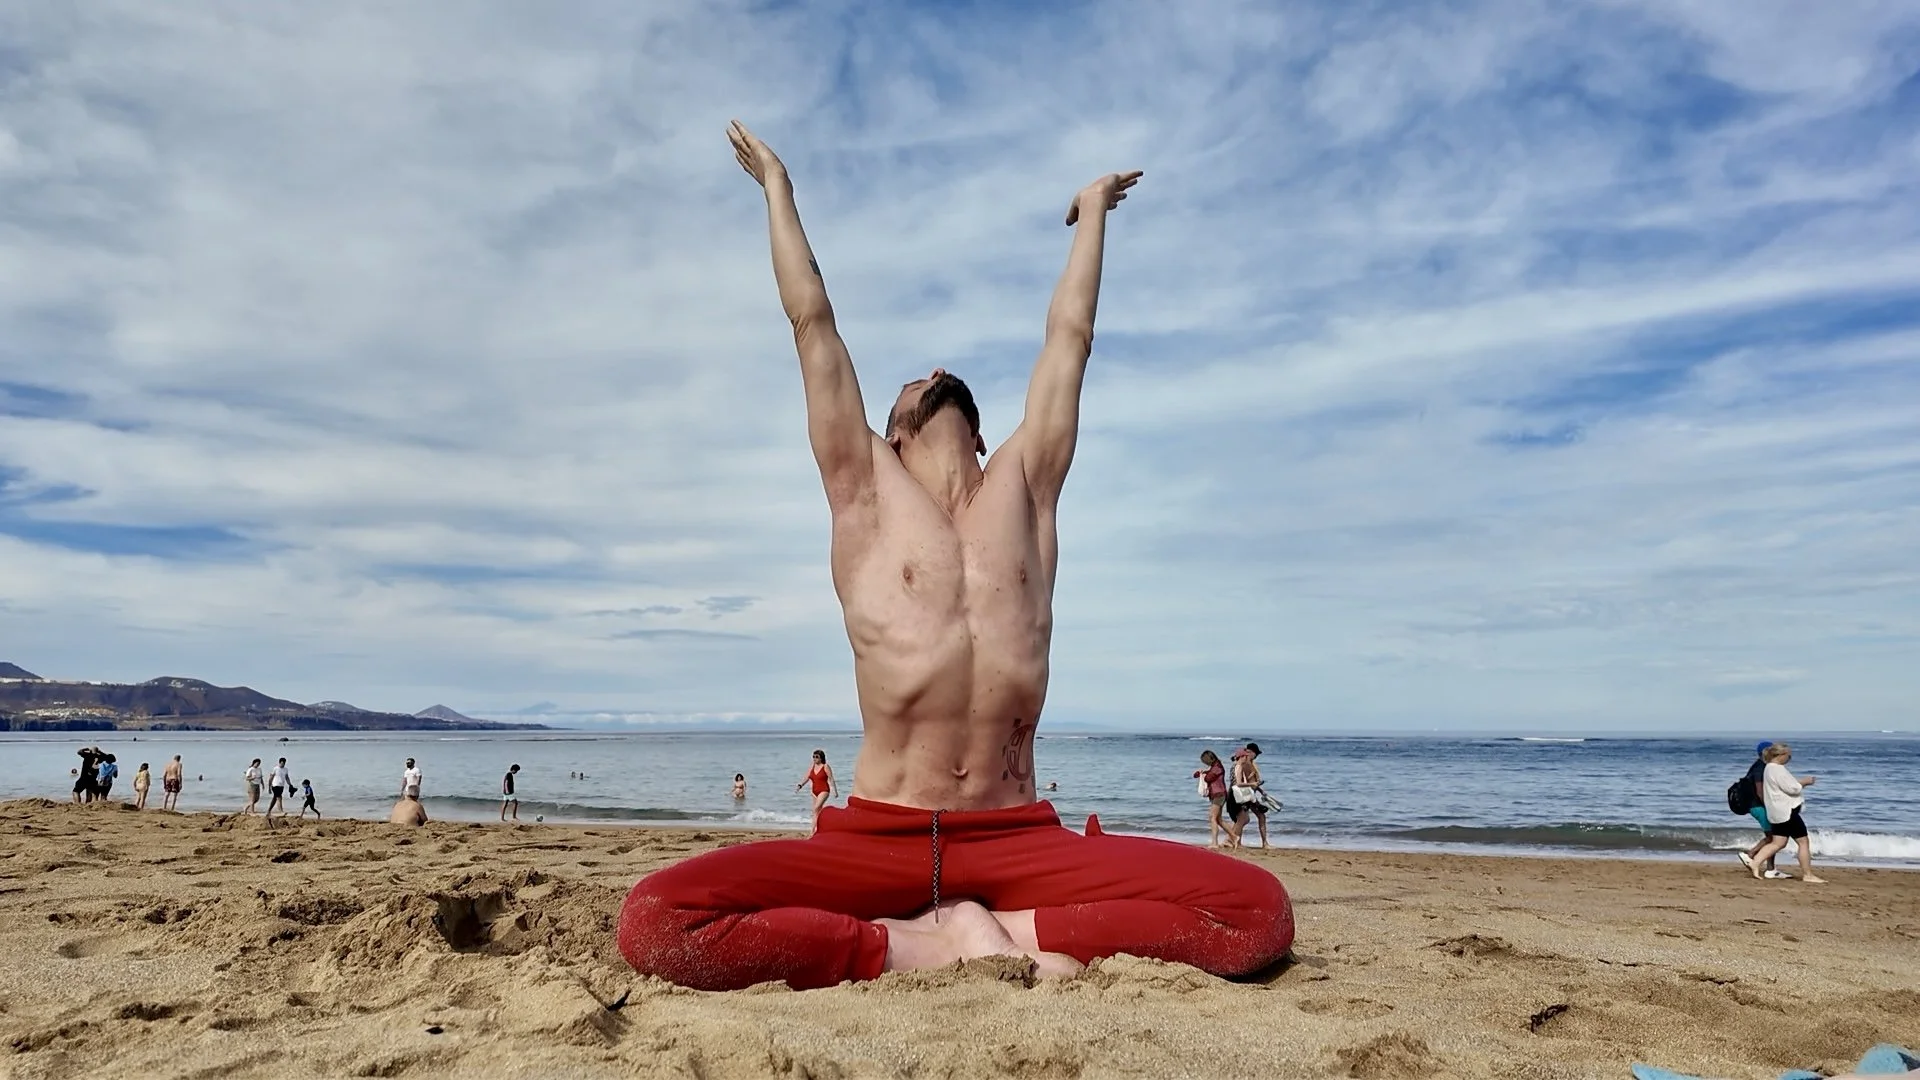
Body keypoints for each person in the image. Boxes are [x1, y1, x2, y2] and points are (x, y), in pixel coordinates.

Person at [616, 123, 1292, 992]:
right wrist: (777, 188)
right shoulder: (862, 489)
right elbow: (811, 322)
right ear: (893, 433)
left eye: (937, 374)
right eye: (912, 379)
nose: (933, 369)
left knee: (1257, 916)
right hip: (879, 837)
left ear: (977, 430)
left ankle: (1005, 925)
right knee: (658, 923)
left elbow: (1070, 340)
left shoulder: (1027, 485)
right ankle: (909, 946)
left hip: (1019, 839)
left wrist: (1092, 216)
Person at [1748, 743, 1825, 884]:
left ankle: (1755, 862)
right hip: (1787, 812)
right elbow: (1792, 788)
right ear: (1781, 755)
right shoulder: (1777, 769)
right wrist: (1805, 782)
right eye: (1788, 755)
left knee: (1778, 843)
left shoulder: (1768, 769)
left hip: (1776, 813)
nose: (1790, 758)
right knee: (1803, 842)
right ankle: (1807, 874)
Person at [1736, 741, 1790, 880]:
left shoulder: (1761, 766)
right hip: (1758, 806)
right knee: (1773, 837)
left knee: (1772, 837)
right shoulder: (1760, 768)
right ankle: (1752, 856)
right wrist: (1771, 806)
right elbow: (1760, 791)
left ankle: (1768, 867)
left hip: (1756, 805)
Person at [1228, 743, 1271, 849]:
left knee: (1241, 819)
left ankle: (1233, 841)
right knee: (1257, 816)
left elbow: (1252, 782)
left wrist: (1260, 791)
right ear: (1250, 752)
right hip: (1246, 795)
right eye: (1256, 754)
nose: (1256, 757)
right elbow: (1248, 782)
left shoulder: (1248, 763)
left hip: (1248, 794)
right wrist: (1256, 790)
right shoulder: (1246, 764)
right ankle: (1264, 843)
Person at [1193, 750, 1230, 847]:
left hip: (1219, 794)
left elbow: (1208, 778)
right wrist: (1200, 773)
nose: (1205, 764)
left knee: (1212, 817)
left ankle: (1215, 842)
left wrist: (1204, 774)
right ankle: (1234, 837)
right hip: (1216, 794)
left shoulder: (1217, 767)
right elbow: (1200, 775)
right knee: (1218, 819)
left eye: (1205, 761)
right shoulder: (1214, 767)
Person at [795, 750, 837, 831]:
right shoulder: (812, 766)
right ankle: (816, 829)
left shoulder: (825, 766)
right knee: (816, 812)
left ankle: (814, 831)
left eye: (816, 757)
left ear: (821, 758)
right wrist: (800, 785)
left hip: (824, 790)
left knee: (816, 808)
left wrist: (835, 791)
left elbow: (831, 779)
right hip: (814, 791)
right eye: (813, 757)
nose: (814, 759)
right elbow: (806, 777)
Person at [265, 757, 292, 826]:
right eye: (282, 763)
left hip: (281, 785)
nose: (283, 765)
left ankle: (268, 811)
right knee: (279, 797)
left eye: (284, 763)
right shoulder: (275, 768)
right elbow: (271, 778)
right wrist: (269, 787)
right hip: (275, 785)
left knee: (274, 798)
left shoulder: (286, 769)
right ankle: (281, 811)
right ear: (279, 762)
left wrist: (290, 784)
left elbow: (287, 777)